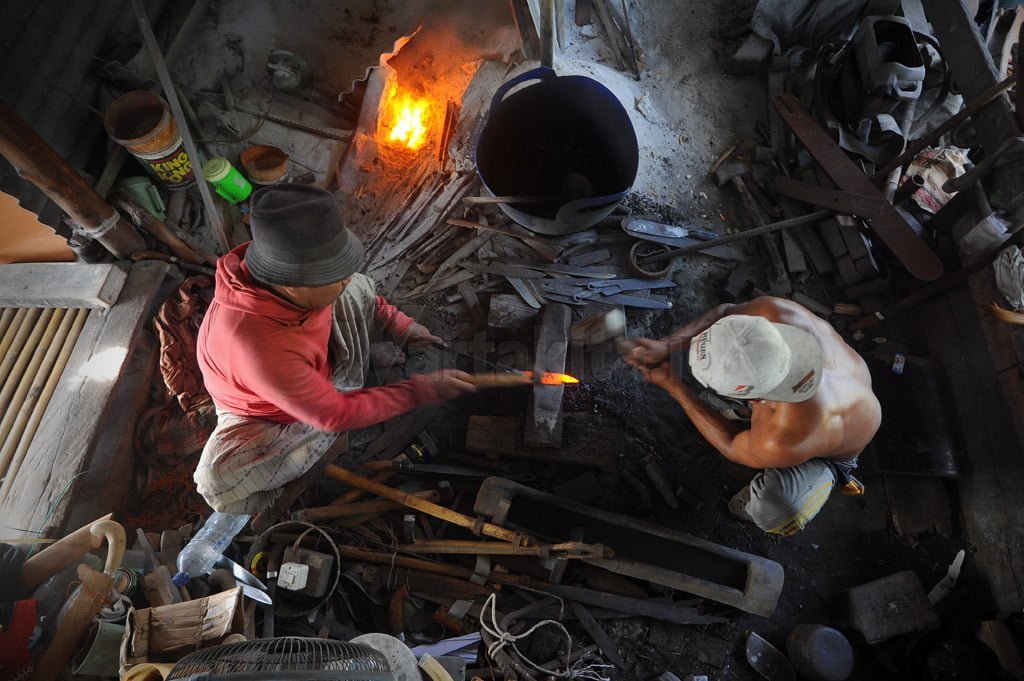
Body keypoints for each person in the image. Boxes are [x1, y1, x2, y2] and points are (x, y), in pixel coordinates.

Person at [195, 183, 476, 514]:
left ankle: (339, 377)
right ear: (290, 283)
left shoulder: (288, 272)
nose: (344, 278)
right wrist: (420, 391)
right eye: (332, 275)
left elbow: (359, 294)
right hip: (269, 412)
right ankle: (289, 494)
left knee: (355, 288)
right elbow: (333, 414)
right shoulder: (259, 348)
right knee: (218, 481)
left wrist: (403, 326)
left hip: (303, 368)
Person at [626, 296, 881, 536]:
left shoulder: (783, 436)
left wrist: (676, 388)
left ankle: (820, 481)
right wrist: (666, 344)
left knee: (775, 507)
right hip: (842, 393)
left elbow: (731, 443)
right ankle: (741, 408)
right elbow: (725, 312)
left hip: (834, 449)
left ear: (756, 395)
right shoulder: (777, 313)